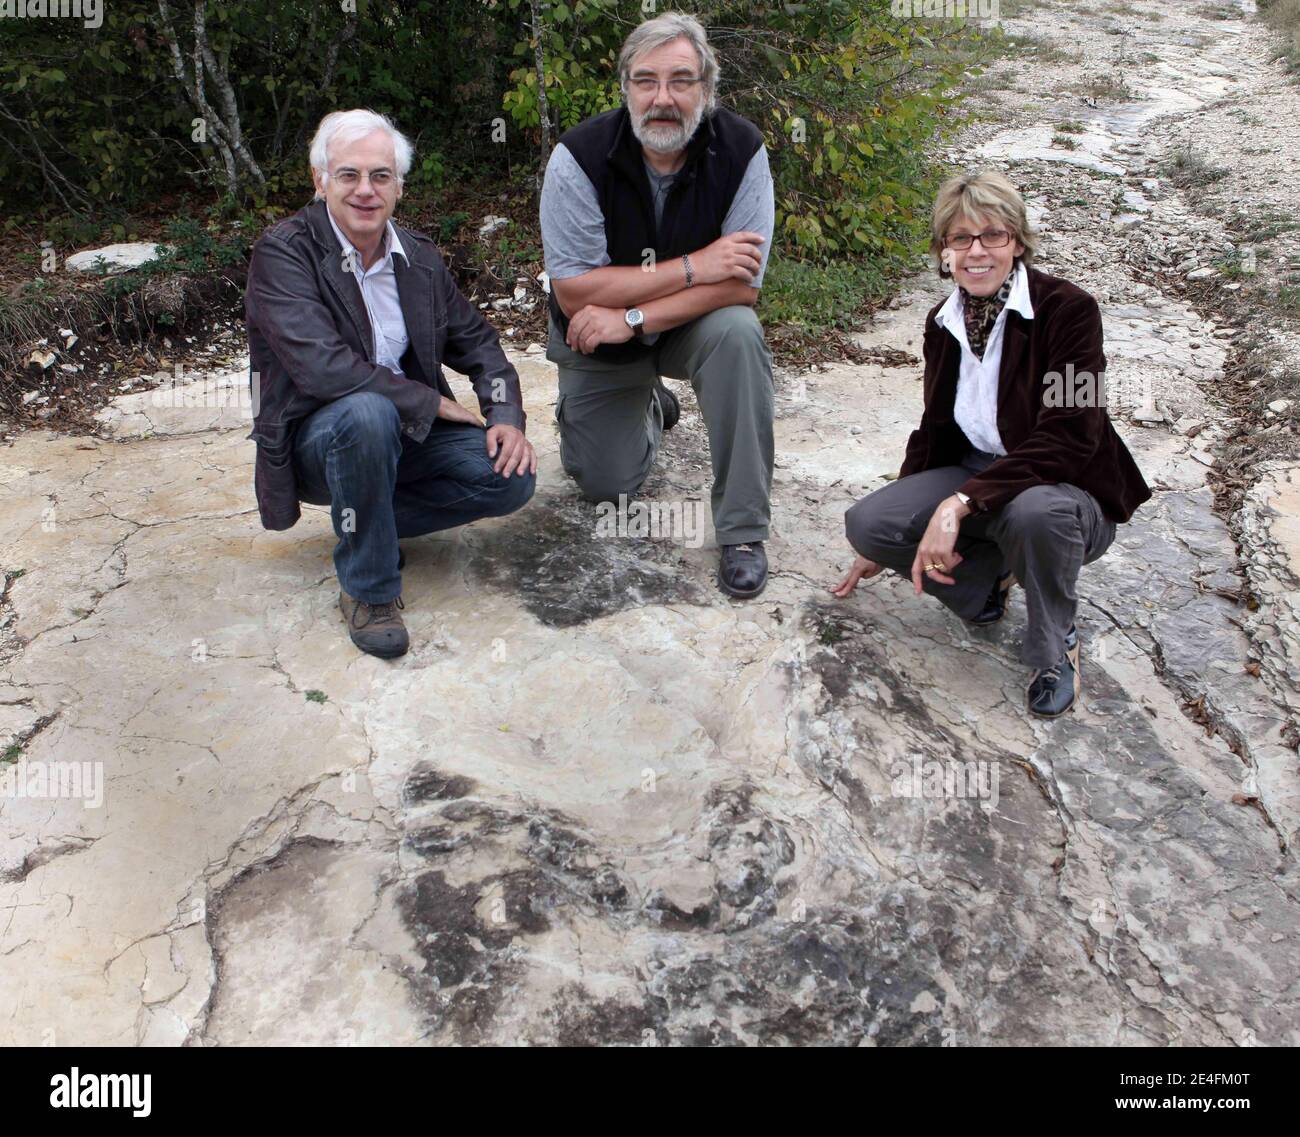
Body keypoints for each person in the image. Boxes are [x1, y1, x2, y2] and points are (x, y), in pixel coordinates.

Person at [831, 169, 1151, 717]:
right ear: (943, 252)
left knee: (1034, 513)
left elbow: (1073, 434)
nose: (976, 251)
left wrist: (959, 504)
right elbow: (936, 429)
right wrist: (896, 534)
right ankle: (985, 588)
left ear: (1017, 242)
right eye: (961, 238)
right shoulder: (943, 321)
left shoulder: (1069, 310)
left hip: (1066, 488)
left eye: (993, 236)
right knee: (871, 523)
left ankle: (1056, 648)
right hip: (982, 472)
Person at [246, 109, 536, 659]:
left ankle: (367, 517)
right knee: (367, 412)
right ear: (320, 181)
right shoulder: (284, 252)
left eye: (380, 175)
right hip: (320, 438)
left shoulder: (418, 257)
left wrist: (505, 417)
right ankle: (369, 588)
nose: (365, 190)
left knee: (510, 478)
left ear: (399, 185)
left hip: (404, 434)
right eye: (348, 175)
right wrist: (430, 402)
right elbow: (324, 369)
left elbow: (479, 343)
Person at [539, 11, 777, 598]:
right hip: (596, 334)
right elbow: (573, 289)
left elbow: (742, 287)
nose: (662, 98)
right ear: (625, 88)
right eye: (646, 80)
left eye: (681, 80)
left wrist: (633, 316)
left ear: (707, 88)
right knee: (606, 486)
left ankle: (743, 529)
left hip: (679, 327)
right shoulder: (578, 156)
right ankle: (650, 405)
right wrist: (696, 266)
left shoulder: (743, 150)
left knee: (739, 332)